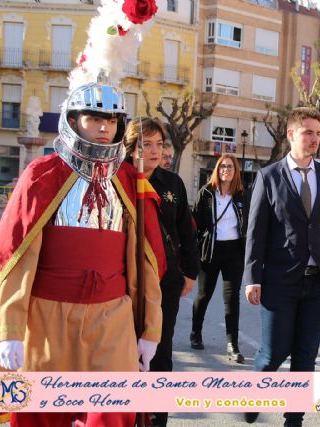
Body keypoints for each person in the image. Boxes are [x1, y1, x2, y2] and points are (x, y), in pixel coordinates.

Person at [0, 83, 166, 427]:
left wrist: (150, 330)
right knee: (41, 413)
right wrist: (8, 331)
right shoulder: (41, 174)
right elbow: (14, 255)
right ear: (72, 119)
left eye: (112, 120)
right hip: (46, 317)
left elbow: (147, 260)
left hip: (111, 317)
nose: (104, 127)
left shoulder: (130, 179)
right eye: (94, 117)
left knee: (111, 412)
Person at [243, 107, 320, 427]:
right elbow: (256, 231)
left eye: (318, 133)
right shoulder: (269, 176)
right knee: (273, 354)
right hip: (280, 281)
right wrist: (253, 277)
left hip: (318, 281)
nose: (315, 139)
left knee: (306, 356)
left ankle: (294, 418)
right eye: (308, 132)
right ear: (291, 135)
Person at [123, 117, 199, 427]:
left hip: (166, 280)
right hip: (125, 280)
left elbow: (186, 231)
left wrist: (190, 272)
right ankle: (126, 412)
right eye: (146, 145)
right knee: (125, 347)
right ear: (130, 149)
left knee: (160, 348)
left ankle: (157, 417)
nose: (155, 151)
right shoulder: (119, 180)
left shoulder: (173, 183)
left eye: (159, 144)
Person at [191, 154, 247, 364]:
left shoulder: (241, 195)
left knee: (232, 298)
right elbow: (194, 223)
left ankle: (233, 344)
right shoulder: (206, 193)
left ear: (236, 171)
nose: (226, 169)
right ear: (217, 169)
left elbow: (248, 223)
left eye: (230, 167)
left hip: (234, 251)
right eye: (222, 166)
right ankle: (196, 332)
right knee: (204, 294)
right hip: (210, 250)